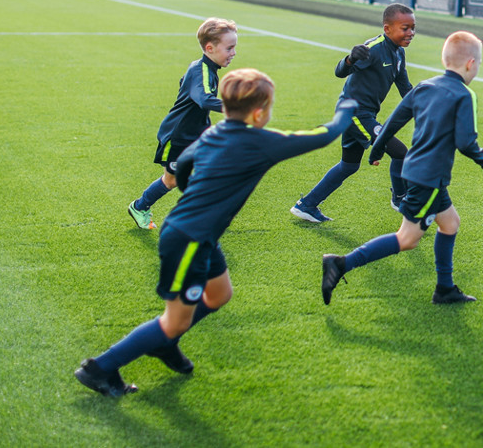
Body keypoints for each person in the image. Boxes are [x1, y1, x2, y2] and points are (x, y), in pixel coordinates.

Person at [75, 69, 357, 397]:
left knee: (219, 294)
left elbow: (184, 167)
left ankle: (166, 343)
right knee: (174, 319)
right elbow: (323, 135)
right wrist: (346, 107)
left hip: (197, 235)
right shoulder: (261, 142)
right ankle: (100, 368)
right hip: (189, 241)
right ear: (259, 112)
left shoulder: (215, 132)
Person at [321, 31, 483, 306]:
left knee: (450, 223)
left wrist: (376, 150)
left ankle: (445, 288)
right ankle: (340, 264)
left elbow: (392, 122)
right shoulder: (464, 94)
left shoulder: (424, 87)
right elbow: (466, 141)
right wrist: (481, 157)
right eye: (479, 64)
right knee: (408, 238)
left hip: (417, 171)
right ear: (471, 64)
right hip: (430, 178)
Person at [290, 4, 416, 223]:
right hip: (354, 113)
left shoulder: (398, 53)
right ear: (387, 29)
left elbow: (405, 88)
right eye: (405, 28)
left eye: (413, 28)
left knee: (348, 166)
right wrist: (350, 59)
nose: (410, 33)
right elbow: (340, 71)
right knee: (400, 152)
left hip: (363, 114)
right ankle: (400, 198)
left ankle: (306, 205)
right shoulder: (374, 49)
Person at [127, 18, 237, 230]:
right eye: (229, 48)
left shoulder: (206, 68)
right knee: (171, 181)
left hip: (195, 134)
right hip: (179, 137)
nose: (233, 53)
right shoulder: (201, 70)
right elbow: (204, 99)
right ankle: (140, 207)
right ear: (210, 48)